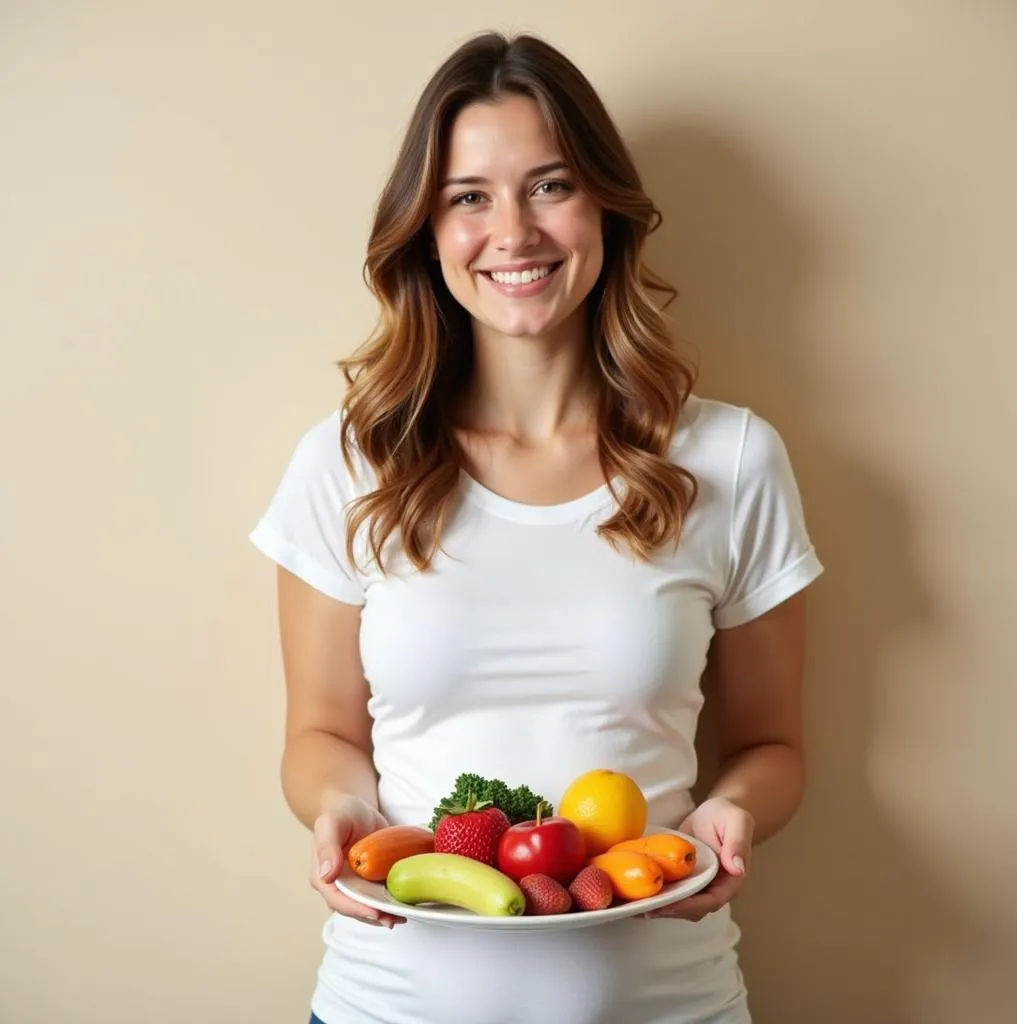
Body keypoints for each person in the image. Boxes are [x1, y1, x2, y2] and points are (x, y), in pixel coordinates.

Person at [249, 30, 823, 1024]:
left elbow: (770, 741)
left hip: (669, 1005)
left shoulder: (730, 460)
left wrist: (735, 815)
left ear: (604, 206)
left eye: (549, 185)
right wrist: (336, 807)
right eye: (469, 195)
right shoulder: (348, 462)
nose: (512, 232)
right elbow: (321, 733)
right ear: (427, 229)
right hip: (386, 1006)